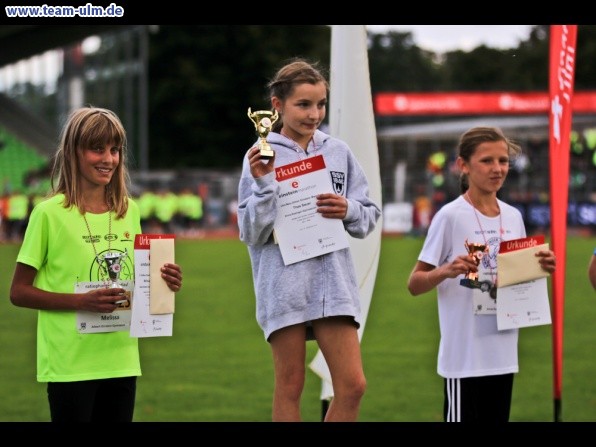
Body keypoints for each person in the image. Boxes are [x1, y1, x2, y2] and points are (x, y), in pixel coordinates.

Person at [9, 106, 183, 422]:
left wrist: (162, 282)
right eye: (97, 148)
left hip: (121, 359)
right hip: (70, 364)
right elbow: (18, 292)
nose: (109, 159)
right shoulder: (48, 214)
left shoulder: (128, 210)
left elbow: (135, 280)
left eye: (115, 150)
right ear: (74, 152)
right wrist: (81, 302)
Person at [237, 58, 381, 422]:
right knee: (291, 385)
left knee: (353, 385)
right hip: (284, 285)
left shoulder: (338, 151)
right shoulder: (259, 155)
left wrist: (346, 207)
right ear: (277, 105)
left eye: (320, 104)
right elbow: (250, 231)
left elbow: (367, 217)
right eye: (303, 104)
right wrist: (265, 185)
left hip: (333, 285)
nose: (314, 114)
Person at [406, 126, 556, 422]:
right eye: (487, 161)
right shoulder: (449, 216)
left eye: (503, 161)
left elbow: (516, 283)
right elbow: (414, 284)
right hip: (464, 359)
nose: (497, 169)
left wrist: (539, 266)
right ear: (463, 165)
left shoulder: (513, 216)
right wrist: (446, 271)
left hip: (502, 355)